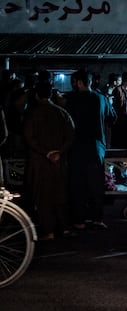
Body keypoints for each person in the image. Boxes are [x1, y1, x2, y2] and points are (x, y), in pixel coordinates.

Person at [23, 81, 75, 240]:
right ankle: (65, 228)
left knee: (43, 198)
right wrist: (59, 152)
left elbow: (28, 138)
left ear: (37, 95)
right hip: (59, 162)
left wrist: (46, 153)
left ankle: (49, 231)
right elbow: (71, 135)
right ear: (51, 94)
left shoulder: (32, 113)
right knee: (61, 195)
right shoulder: (62, 113)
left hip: (40, 163)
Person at [65, 69, 109, 230]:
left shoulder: (72, 100)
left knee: (78, 184)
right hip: (96, 147)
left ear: (79, 82)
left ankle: (79, 220)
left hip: (77, 146)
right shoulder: (101, 98)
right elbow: (112, 117)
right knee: (96, 183)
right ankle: (97, 218)